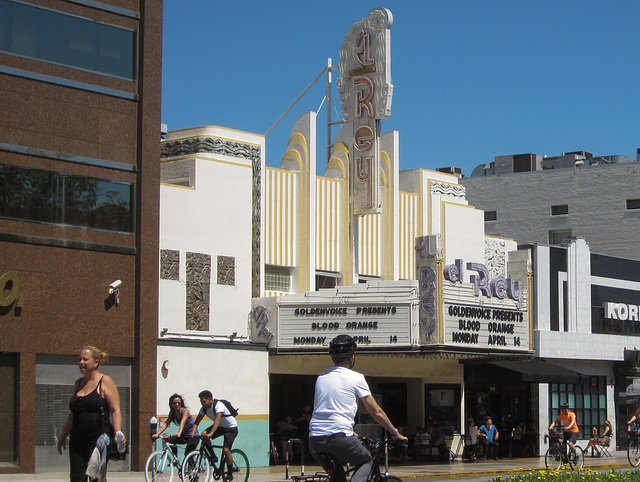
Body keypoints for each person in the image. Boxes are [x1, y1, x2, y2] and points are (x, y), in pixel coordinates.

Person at [308, 334, 407, 482]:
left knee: (338, 477)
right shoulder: (356, 378)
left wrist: (350, 432)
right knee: (367, 460)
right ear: (352, 357)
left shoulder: (321, 378)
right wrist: (394, 432)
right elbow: (376, 411)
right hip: (338, 438)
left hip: (315, 441)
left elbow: (328, 410)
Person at [57, 345, 126, 482]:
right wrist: (64, 434)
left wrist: (118, 432)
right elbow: (73, 413)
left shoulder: (105, 381)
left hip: (98, 441)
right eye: (79, 359)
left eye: (85, 359)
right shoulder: (78, 383)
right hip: (77, 440)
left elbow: (115, 410)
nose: (81, 362)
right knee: (77, 478)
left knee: (96, 478)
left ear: (96, 362)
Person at [191, 390, 238, 479]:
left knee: (226, 450)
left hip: (231, 428)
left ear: (210, 400)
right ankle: (213, 456)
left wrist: (211, 433)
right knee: (204, 434)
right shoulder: (203, 409)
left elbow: (217, 420)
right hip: (221, 427)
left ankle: (230, 473)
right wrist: (192, 433)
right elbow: (196, 422)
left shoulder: (219, 405)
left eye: (204, 402)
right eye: (201, 402)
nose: (202, 404)